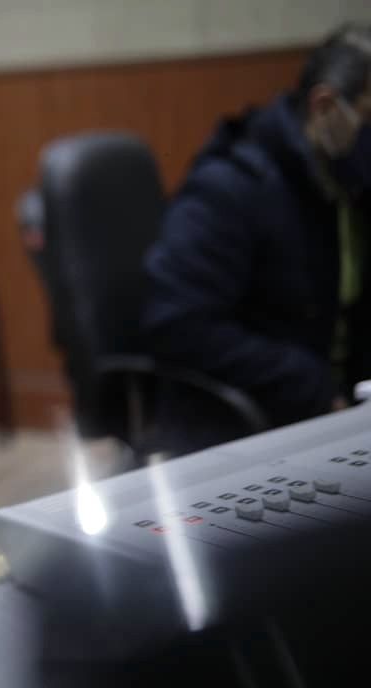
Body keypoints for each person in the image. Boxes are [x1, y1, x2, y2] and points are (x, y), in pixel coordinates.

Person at [142, 24, 371, 455]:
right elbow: (176, 323)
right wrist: (312, 386)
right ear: (325, 106)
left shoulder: (348, 179)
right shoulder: (229, 188)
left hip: (338, 407)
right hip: (253, 426)